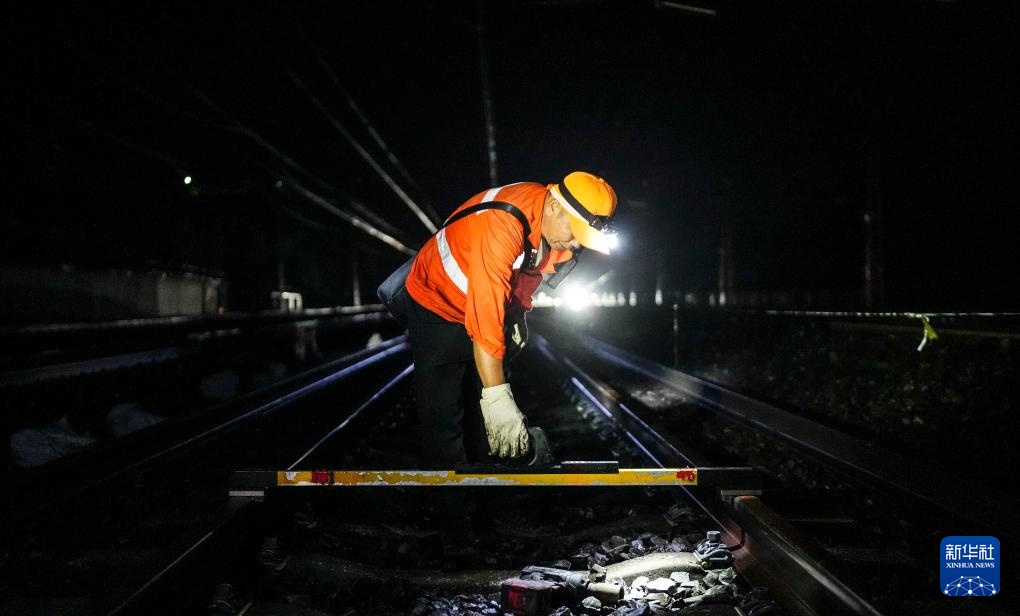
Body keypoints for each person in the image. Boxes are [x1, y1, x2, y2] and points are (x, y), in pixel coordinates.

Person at [390, 171, 617, 468]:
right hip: (437, 304)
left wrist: (517, 313)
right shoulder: (502, 223)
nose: (575, 244)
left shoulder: (549, 224)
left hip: (478, 300)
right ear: (554, 207)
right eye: (574, 233)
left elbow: (530, 272)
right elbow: (485, 313)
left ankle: (485, 489)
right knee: (443, 415)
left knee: (481, 413)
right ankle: (452, 507)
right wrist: (498, 396)